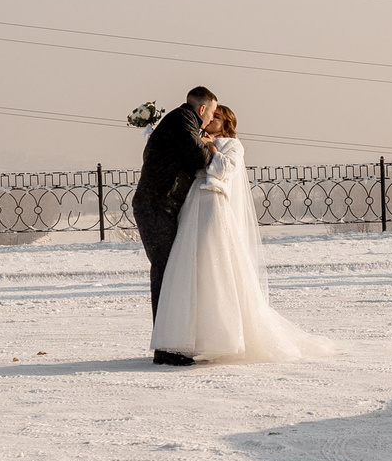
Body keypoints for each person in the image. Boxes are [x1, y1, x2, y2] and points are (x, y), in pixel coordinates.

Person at [149, 105, 333, 364]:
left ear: (226, 124)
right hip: (192, 206)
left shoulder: (233, 145)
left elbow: (224, 170)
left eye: (217, 117)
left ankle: (222, 337)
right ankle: (188, 340)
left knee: (216, 265)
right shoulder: (196, 138)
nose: (211, 119)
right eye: (211, 115)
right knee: (190, 270)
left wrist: (211, 148)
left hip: (213, 204)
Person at [135, 87, 216, 364]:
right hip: (155, 207)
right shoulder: (183, 120)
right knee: (165, 273)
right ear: (202, 109)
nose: (210, 121)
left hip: (161, 206)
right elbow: (200, 159)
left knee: (169, 272)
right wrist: (210, 146)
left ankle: (169, 344)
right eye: (212, 113)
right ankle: (166, 348)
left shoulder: (182, 122)